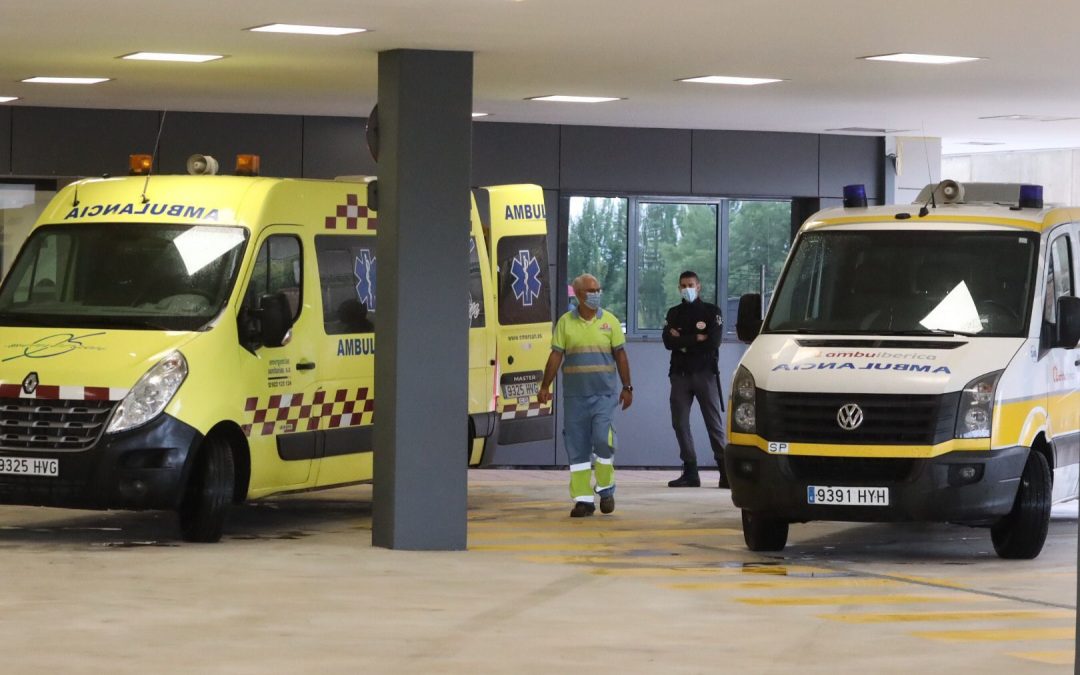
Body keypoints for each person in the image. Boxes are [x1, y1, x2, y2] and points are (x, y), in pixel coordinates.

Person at [538, 273, 633, 517]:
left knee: (603, 439)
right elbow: (556, 356)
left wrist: (627, 386)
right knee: (577, 450)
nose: (596, 294)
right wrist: (545, 385)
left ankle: (606, 488)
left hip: (603, 396)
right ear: (579, 295)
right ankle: (583, 500)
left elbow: (621, 356)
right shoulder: (565, 323)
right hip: (575, 398)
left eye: (598, 289)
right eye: (592, 290)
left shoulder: (610, 322)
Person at [662, 270, 727, 488]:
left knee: (713, 423)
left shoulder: (711, 312)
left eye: (691, 284)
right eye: (683, 285)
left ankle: (725, 472)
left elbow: (713, 342)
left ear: (699, 286)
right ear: (679, 288)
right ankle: (690, 471)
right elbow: (668, 342)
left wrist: (684, 341)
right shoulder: (674, 313)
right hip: (679, 375)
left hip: (705, 373)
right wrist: (696, 338)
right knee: (679, 423)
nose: (687, 288)